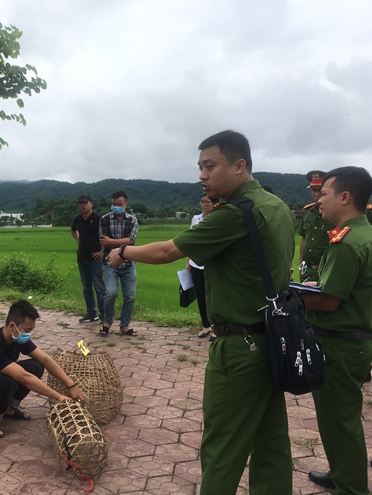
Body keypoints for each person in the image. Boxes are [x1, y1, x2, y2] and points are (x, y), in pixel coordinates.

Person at [107, 130, 295, 494]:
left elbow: (168, 251)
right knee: (271, 441)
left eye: (210, 166)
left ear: (239, 166)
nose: (202, 176)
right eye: (200, 167)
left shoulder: (234, 214)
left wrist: (123, 252)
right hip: (272, 339)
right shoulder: (278, 207)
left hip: (238, 348)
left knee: (222, 445)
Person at [300, 167, 372, 494]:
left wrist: (292, 296)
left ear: (345, 197)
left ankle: (351, 487)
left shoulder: (347, 242)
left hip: (339, 343)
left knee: (339, 421)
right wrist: (314, 286)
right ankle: (343, 473)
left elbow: (328, 301)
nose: (319, 200)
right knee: (341, 419)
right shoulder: (362, 234)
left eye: (325, 194)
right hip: (353, 341)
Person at [0, 300, 86, 439]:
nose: (29, 334)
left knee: (36, 366)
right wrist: (59, 397)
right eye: (27, 330)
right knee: (11, 378)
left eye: (31, 330)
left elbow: (45, 359)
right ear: (12, 326)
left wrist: (71, 385)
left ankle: (8, 409)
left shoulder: (16, 337)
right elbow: (24, 378)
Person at [98, 190, 138, 336]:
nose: (117, 207)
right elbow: (104, 241)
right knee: (110, 293)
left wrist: (112, 241)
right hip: (110, 263)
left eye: (120, 204)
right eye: (114, 204)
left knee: (130, 296)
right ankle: (107, 322)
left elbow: (131, 240)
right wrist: (121, 242)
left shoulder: (132, 220)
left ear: (126, 204)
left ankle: (125, 326)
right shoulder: (104, 219)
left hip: (128, 264)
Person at [188, 193, 218, 340]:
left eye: (207, 202)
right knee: (201, 295)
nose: (204, 205)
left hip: (212, 264)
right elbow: (191, 241)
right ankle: (205, 325)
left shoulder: (218, 219)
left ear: (214, 204)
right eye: (202, 202)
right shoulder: (196, 219)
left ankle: (215, 328)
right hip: (196, 263)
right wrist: (188, 262)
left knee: (214, 296)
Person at [70, 193, 105, 323]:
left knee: (99, 287)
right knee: (86, 287)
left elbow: (108, 235)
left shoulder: (99, 219)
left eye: (85, 203)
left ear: (91, 204)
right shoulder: (77, 220)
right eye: (81, 203)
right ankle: (91, 313)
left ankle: (104, 314)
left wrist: (103, 251)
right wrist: (79, 241)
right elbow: (73, 230)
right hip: (82, 258)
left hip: (95, 259)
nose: (83, 205)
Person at [297, 171, 333, 283]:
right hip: (307, 271)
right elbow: (304, 239)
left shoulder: (335, 213)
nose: (316, 194)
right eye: (313, 190)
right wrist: (301, 265)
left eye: (320, 190)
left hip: (327, 270)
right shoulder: (308, 212)